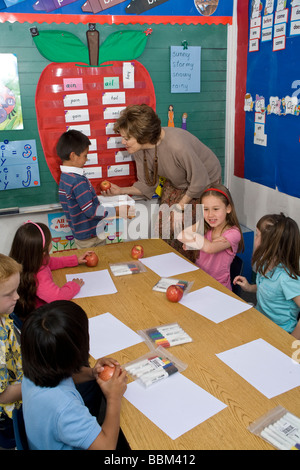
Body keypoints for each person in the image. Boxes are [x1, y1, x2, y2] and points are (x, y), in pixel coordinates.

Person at [101, 104, 222, 260]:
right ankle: (167, 265)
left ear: (142, 135)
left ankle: (189, 270)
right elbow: (147, 185)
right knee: (164, 228)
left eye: (127, 138)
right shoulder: (138, 148)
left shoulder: (177, 146)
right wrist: (121, 190)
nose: (123, 142)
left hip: (205, 183)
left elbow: (200, 181)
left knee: (184, 233)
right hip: (178, 181)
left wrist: (179, 207)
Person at [21, 300, 128, 450]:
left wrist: (92, 372)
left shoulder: (34, 369)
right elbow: (107, 447)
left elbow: (63, 375)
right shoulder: (65, 408)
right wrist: (114, 398)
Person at [233, 213, 300, 338]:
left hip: (280, 333)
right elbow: (268, 288)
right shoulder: (265, 264)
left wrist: (292, 341)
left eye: (258, 234)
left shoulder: (287, 278)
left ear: (270, 243)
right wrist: (249, 287)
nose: (255, 238)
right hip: (261, 322)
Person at [9, 220, 90, 320]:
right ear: (43, 252)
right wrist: (74, 285)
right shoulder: (40, 277)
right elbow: (58, 297)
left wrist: (75, 260)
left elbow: (50, 262)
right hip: (42, 317)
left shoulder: (26, 260)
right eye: (50, 241)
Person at [57, 129, 121, 249]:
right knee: (99, 265)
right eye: (85, 155)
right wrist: (117, 211)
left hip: (82, 235)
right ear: (73, 156)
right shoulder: (77, 181)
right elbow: (91, 211)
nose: (86, 159)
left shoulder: (65, 177)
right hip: (92, 237)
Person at [177, 184, 244, 290]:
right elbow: (181, 235)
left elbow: (209, 248)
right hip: (199, 280)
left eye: (216, 209)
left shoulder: (233, 234)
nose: (210, 215)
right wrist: (197, 240)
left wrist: (194, 240)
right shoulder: (204, 225)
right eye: (206, 209)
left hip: (218, 288)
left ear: (228, 208)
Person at [0, 254, 23, 448]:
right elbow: (2, 395)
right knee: (14, 441)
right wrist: (37, 386)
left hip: (17, 382)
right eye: (9, 293)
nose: (17, 297)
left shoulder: (4, 313)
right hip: (6, 415)